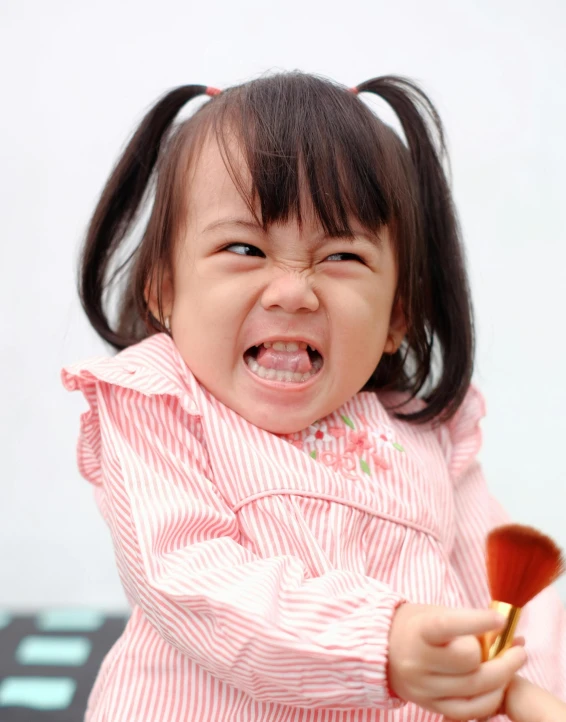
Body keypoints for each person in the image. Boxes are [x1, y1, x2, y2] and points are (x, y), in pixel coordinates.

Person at [62, 72, 565, 721]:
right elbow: (189, 578)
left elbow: (506, 598)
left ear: (398, 314)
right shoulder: (157, 405)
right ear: (162, 288)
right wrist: (380, 643)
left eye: (341, 258)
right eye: (244, 248)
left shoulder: (428, 432)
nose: (292, 291)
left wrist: (533, 685)